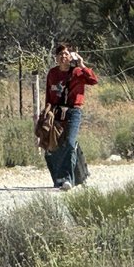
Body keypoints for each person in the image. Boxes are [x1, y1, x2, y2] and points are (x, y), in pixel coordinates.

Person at [42, 43, 99, 190]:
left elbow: (93, 80)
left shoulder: (78, 72)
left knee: (69, 142)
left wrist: (81, 63)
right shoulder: (52, 73)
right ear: (56, 58)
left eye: (66, 54)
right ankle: (67, 177)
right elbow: (49, 94)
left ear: (71, 57)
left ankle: (68, 179)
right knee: (53, 145)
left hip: (73, 111)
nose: (63, 57)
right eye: (60, 54)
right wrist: (46, 113)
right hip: (56, 112)